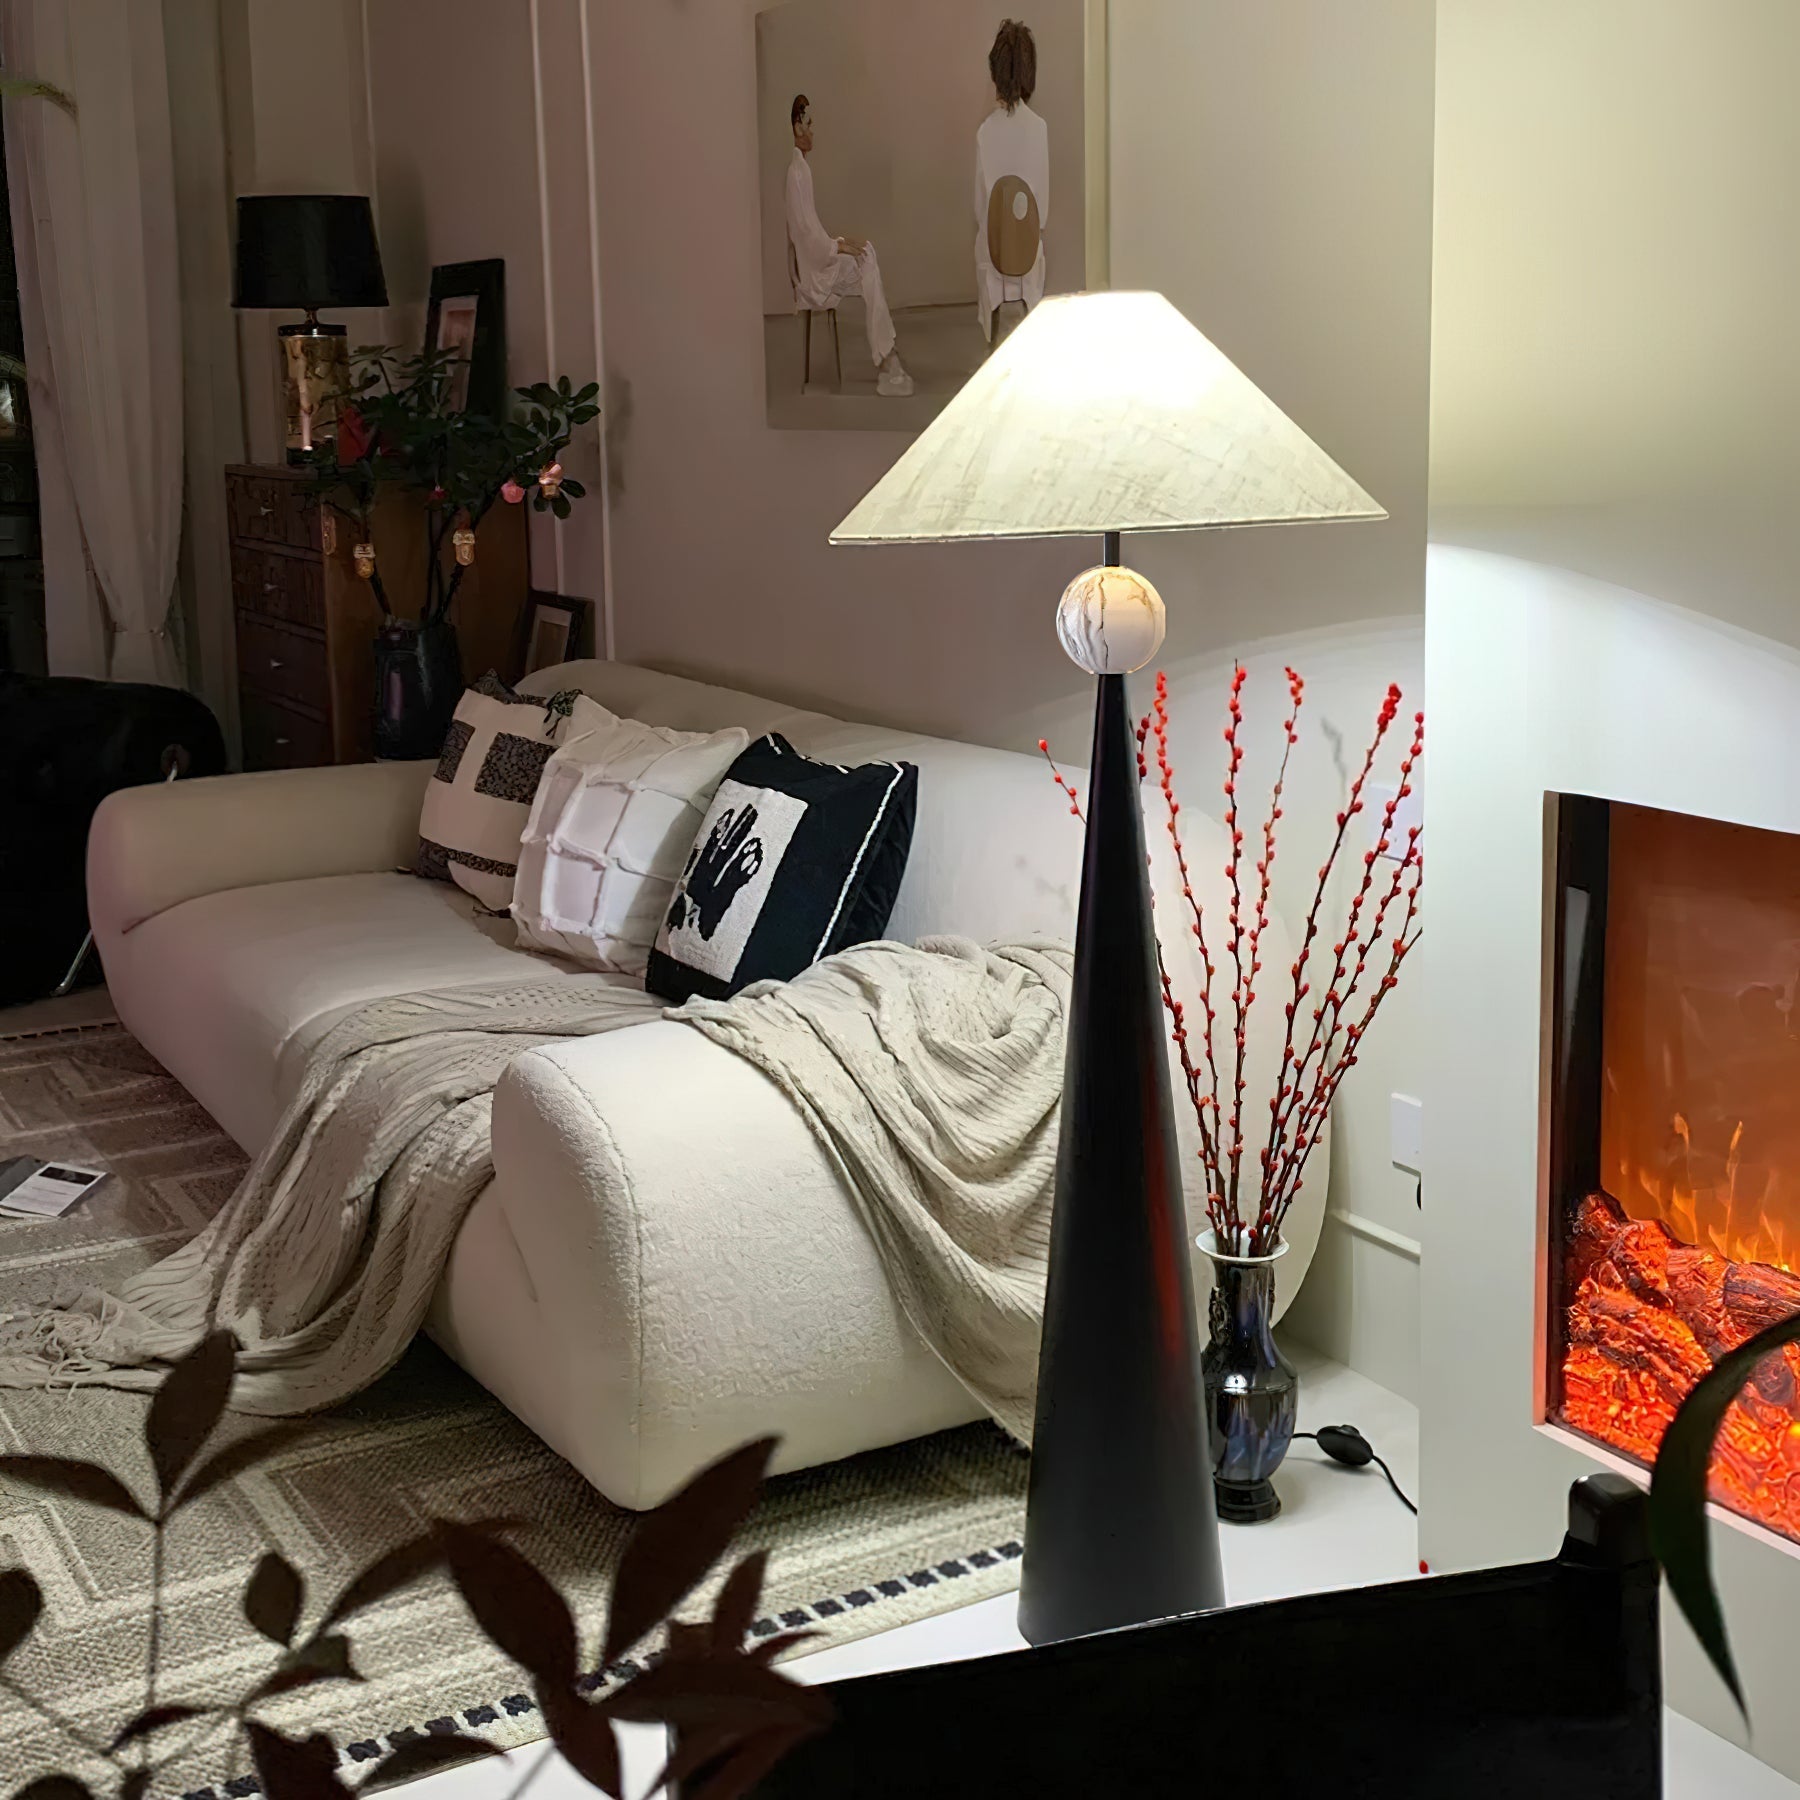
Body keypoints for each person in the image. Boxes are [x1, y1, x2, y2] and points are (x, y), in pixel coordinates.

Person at [785, 94, 914, 397]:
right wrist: (838, 248)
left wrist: (839, 243)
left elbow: (811, 230)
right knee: (867, 262)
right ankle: (887, 356)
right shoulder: (797, 173)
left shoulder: (801, 169)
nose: (813, 131)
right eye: (809, 124)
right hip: (814, 274)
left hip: (818, 260)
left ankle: (887, 353)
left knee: (867, 253)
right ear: (797, 127)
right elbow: (804, 234)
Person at [974, 20, 1049, 342]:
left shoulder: (985, 132)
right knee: (1035, 239)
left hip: (993, 255)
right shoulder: (1039, 128)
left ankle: (991, 337)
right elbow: (1042, 211)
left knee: (983, 238)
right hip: (1028, 254)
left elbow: (979, 209)